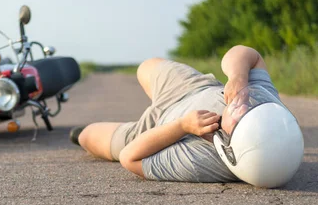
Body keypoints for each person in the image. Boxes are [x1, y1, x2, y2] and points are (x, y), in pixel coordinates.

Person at [70, 45, 303, 187]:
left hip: (157, 129)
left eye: (242, 117)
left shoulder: (205, 162)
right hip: (191, 87)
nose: (243, 105)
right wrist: (238, 77)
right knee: (146, 66)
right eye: (253, 105)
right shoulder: (268, 106)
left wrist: (182, 126)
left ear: (232, 149)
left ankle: (79, 135)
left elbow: (129, 158)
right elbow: (247, 54)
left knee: (87, 136)